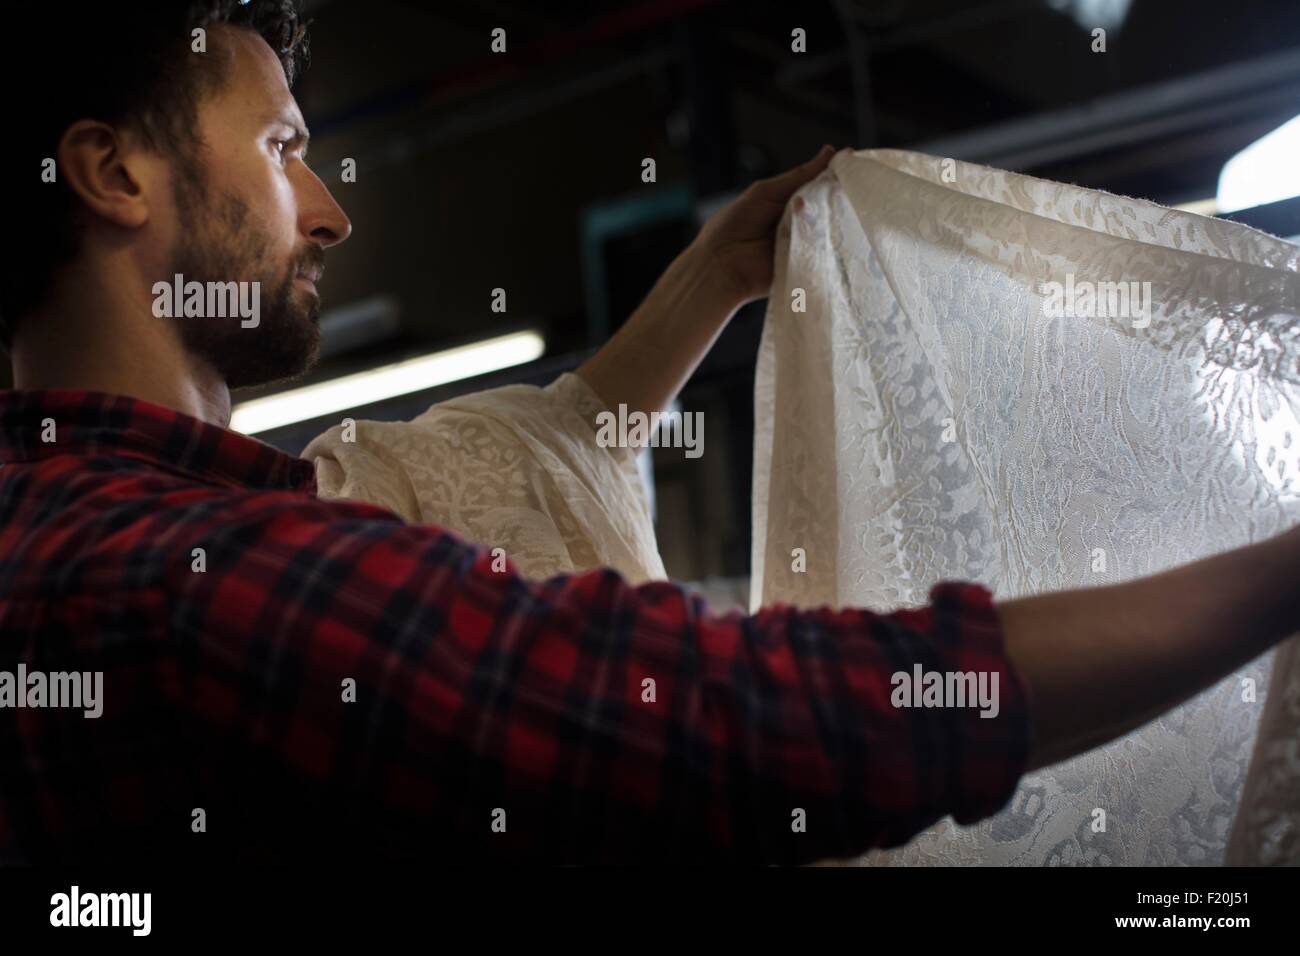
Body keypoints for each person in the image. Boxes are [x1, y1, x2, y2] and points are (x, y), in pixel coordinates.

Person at [0, 1, 1296, 864]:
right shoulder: (194, 575)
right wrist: (1276, 579)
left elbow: (555, 441)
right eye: (282, 148)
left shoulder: (83, 522)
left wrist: (713, 274)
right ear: (114, 175)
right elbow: (742, 716)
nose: (326, 213)